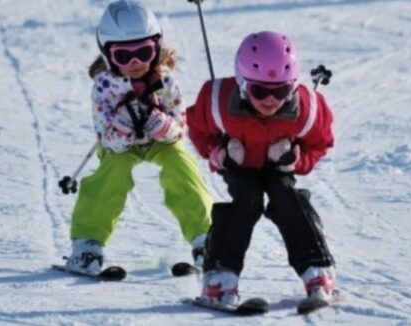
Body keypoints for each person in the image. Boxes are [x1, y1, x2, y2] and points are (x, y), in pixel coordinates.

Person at [186, 30, 336, 306]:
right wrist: (218, 152)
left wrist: (295, 160)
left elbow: (321, 143)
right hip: (238, 163)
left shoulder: (307, 109)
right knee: (247, 201)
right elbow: (195, 127)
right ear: (242, 83)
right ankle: (219, 279)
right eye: (259, 91)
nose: (270, 100)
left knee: (287, 198)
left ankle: (317, 271)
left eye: (281, 91)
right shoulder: (217, 101)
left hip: (277, 165)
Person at [64, 0, 212, 274]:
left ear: (157, 48)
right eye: (124, 56)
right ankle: (87, 244)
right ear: (107, 54)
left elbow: (180, 124)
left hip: (160, 141)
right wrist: (120, 131)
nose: (135, 63)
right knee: (112, 173)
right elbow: (104, 137)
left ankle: (206, 238)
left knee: (181, 165)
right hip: (121, 146)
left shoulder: (165, 80)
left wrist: (163, 126)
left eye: (144, 52)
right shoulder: (104, 87)